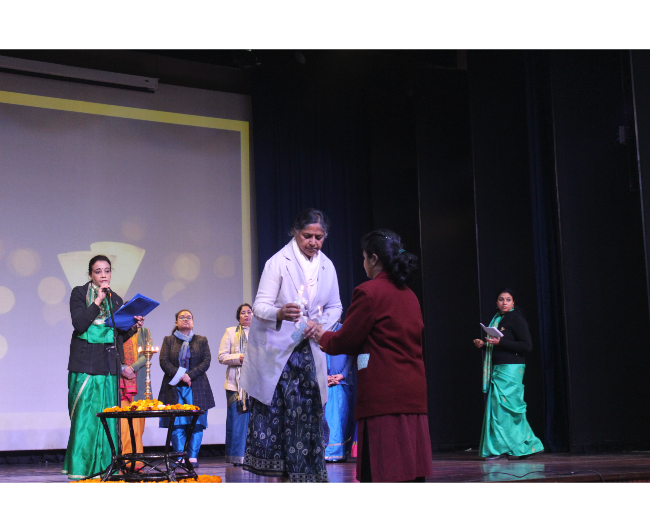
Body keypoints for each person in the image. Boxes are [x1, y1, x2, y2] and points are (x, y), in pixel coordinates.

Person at [309, 229, 433, 483]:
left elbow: (346, 339)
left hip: (384, 393)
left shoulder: (369, 292)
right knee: (410, 471)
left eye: (364, 257)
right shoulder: (410, 295)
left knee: (385, 472)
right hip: (412, 390)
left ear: (374, 259)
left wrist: (321, 335)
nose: (363, 262)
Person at [240, 208, 343, 483]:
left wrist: (320, 325)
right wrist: (279, 312)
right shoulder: (277, 262)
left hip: (309, 351)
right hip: (279, 356)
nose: (313, 242)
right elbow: (260, 305)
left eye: (319, 237)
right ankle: (282, 479)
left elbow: (335, 306)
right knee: (279, 417)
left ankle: (307, 477)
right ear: (295, 233)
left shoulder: (327, 266)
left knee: (308, 415)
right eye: (307, 236)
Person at [63, 255, 145, 480]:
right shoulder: (79, 293)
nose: (103, 275)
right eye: (98, 271)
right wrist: (97, 300)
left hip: (109, 368)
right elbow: (79, 324)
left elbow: (118, 336)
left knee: (109, 419)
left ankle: (108, 468)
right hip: (85, 365)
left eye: (107, 270)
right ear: (91, 274)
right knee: (85, 418)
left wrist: (133, 326)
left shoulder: (116, 299)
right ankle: (81, 469)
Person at [473, 289, 544, 460]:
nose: (504, 302)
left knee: (510, 410)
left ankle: (526, 445)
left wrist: (501, 342)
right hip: (499, 368)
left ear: (513, 302)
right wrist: (484, 345)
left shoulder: (516, 319)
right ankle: (501, 448)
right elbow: (499, 346)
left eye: (508, 299)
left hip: (511, 369)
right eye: (501, 299)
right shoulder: (498, 319)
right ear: (496, 302)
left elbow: (527, 346)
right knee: (498, 411)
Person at [158, 309, 215, 468]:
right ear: (176, 322)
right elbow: (164, 361)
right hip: (175, 387)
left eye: (188, 317)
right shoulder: (169, 340)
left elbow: (206, 361)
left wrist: (190, 375)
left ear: (193, 322)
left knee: (197, 423)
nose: (185, 319)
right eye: (181, 317)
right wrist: (181, 376)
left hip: (197, 387)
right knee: (177, 422)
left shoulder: (201, 340)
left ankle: (193, 457)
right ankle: (179, 456)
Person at [218, 303, 253, 465]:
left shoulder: (260, 333)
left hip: (256, 383)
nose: (246, 315)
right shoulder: (230, 332)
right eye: (243, 313)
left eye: (249, 312)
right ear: (238, 317)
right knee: (237, 419)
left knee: (256, 421)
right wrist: (239, 357)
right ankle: (237, 457)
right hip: (236, 385)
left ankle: (254, 457)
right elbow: (222, 357)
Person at [323, 322, 356, 463]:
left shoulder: (344, 329)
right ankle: (323, 452)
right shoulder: (316, 328)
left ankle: (336, 452)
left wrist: (343, 374)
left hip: (340, 382)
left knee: (338, 418)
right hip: (321, 382)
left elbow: (351, 355)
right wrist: (321, 376)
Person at [119, 326, 151, 464]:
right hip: (121, 383)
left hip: (139, 381)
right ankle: (126, 459)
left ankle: (137, 460)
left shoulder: (144, 332)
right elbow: (113, 352)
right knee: (124, 425)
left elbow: (147, 354)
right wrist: (122, 368)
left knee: (139, 424)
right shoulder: (117, 331)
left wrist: (132, 368)